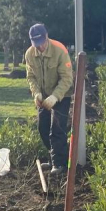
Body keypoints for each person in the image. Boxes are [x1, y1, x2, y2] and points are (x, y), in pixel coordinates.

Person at [25, 23, 74, 177]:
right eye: (36, 44)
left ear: (46, 36)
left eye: (41, 43)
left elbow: (67, 78)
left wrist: (55, 96)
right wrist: (36, 93)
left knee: (57, 129)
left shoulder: (60, 50)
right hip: (44, 95)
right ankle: (53, 158)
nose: (39, 48)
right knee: (42, 127)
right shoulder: (29, 54)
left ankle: (59, 164)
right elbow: (30, 76)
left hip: (62, 94)